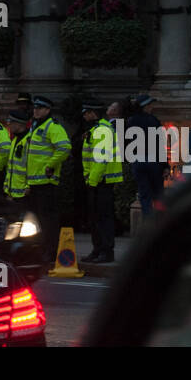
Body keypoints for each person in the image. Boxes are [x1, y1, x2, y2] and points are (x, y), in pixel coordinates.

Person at [25, 96, 72, 262]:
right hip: (35, 181)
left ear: (48, 110)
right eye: (35, 108)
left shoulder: (52, 126)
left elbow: (65, 147)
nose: (36, 110)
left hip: (46, 181)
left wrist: (50, 165)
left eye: (40, 108)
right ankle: (42, 249)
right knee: (38, 220)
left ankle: (50, 252)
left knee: (48, 220)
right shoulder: (36, 126)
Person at [81, 99, 123, 263]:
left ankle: (106, 252)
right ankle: (98, 250)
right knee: (95, 218)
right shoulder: (96, 129)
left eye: (86, 112)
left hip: (101, 181)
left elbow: (100, 160)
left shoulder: (102, 130)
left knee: (103, 219)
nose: (84, 116)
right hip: (96, 180)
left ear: (93, 113)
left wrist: (91, 181)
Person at [127, 94, 165, 218]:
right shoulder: (153, 121)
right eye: (149, 105)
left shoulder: (131, 121)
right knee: (158, 195)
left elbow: (127, 143)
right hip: (153, 161)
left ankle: (148, 225)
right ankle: (160, 224)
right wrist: (165, 165)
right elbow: (160, 144)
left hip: (138, 161)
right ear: (145, 106)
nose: (151, 107)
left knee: (144, 196)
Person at [2, 107, 33, 214]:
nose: (8, 125)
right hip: (13, 193)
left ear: (19, 124)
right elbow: (11, 167)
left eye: (10, 122)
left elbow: (32, 165)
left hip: (24, 194)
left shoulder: (29, 141)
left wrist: (28, 186)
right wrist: (7, 189)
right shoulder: (15, 140)